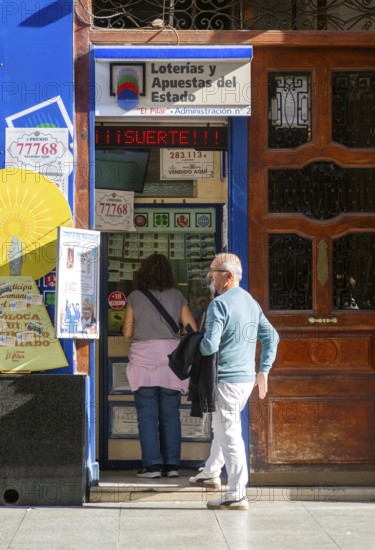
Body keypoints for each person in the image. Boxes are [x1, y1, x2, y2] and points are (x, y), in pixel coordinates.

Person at [189, 253, 279, 510]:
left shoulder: (219, 305)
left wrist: (192, 344)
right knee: (223, 426)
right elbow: (272, 337)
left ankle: (237, 493)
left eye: (213, 271)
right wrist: (263, 371)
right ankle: (211, 471)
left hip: (225, 381)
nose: (209, 276)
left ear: (227, 276)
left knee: (229, 434)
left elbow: (210, 346)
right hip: (244, 381)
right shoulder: (250, 302)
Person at [123, 253, 197, 479]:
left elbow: (127, 333)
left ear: (143, 273)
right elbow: (192, 329)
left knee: (146, 414)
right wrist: (177, 333)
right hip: (170, 361)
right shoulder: (177, 296)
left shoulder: (135, 296)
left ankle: (152, 466)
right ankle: (172, 466)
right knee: (170, 414)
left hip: (143, 361)